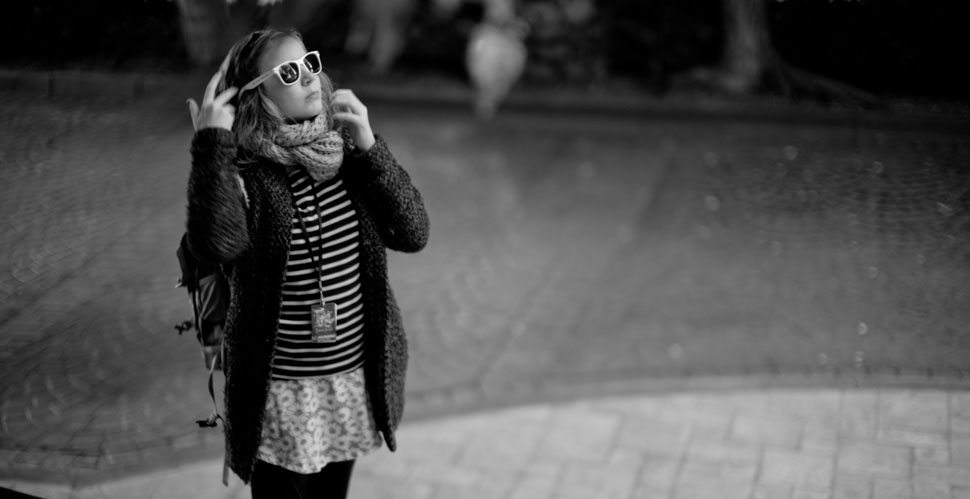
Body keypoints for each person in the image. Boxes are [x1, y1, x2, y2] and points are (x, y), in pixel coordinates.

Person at [185, 28, 429, 498]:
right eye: (289, 72)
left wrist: (370, 146)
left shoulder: (349, 156)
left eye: (311, 63)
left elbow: (413, 233)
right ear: (255, 96)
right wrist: (212, 147)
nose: (310, 79)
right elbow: (214, 245)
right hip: (280, 394)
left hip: (349, 381)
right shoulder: (246, 175)